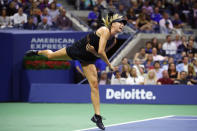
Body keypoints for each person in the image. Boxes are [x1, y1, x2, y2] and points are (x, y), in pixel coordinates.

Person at [25, 13, 127, 130]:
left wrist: (93, 52)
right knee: (51, 56)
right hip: (77, 50)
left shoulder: (113, 41)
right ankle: (38, 52)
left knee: (94, 85)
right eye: (120, 22)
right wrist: (110, 65)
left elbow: (98, 54)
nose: (122, 25)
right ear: (113, 23)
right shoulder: (104, 30)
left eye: (124, 24)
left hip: (88, 59)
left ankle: (97, 116)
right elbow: (101, 51)